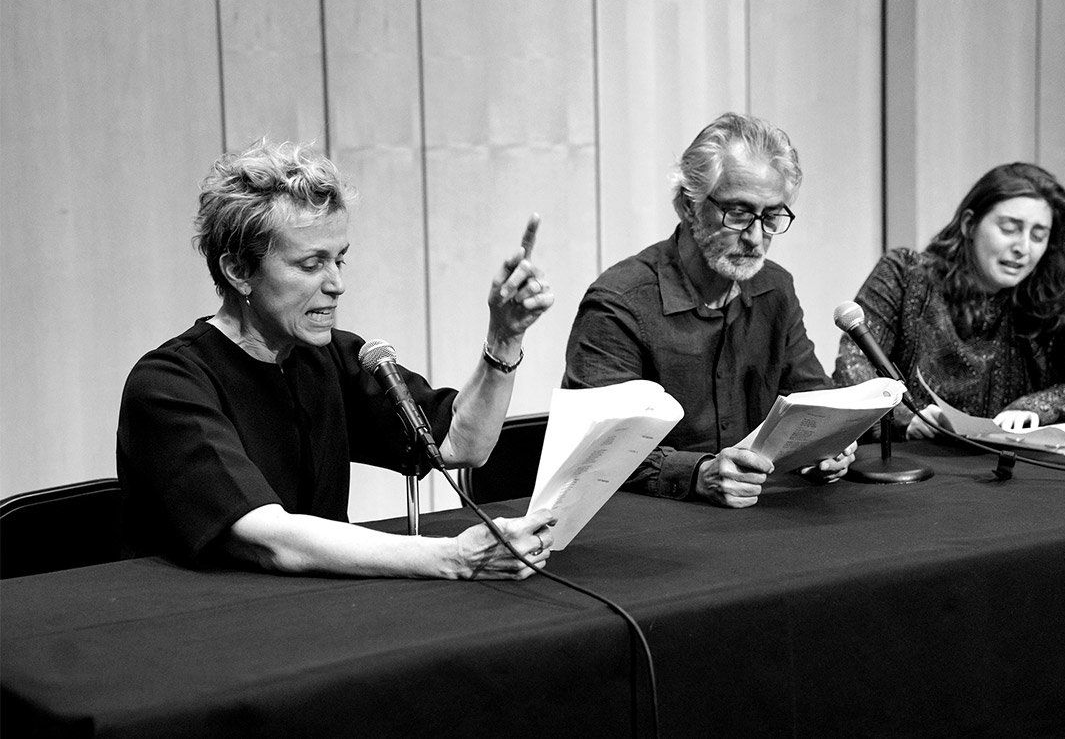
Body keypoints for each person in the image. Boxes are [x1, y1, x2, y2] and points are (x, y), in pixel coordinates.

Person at [117, 139, 556, 579]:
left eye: (339, 260)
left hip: (323, 609)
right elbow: (270, 540)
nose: (337, 284)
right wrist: (452, 557)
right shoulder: (168, 385)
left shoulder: (332, 357)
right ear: (238, 271)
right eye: (311, 265)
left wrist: (505, 336)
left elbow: (461, 443)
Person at [562, 112, 855, 509]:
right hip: (645, 528)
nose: (755, 238)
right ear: (688, 205)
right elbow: (596, 448)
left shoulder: (775, 288)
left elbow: (811, 397)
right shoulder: (622, 301)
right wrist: (697, 473)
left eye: (771, 217)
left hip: (757, 514)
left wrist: (827, 444)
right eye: (737, 213)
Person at [833, 162, 1065, 438]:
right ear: (969, 224)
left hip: (1009, 465)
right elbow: (852, 370)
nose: (1023, 248)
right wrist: (906, 418)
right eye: (1009, 229)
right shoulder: (905, 274)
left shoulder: (1045, 297)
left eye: (1038, 236)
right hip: (915, 460)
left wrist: (1039, 406)